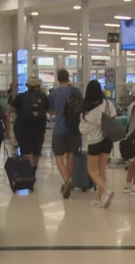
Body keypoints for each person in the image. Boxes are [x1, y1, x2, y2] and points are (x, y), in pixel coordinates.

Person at [79, 80, 115, 208]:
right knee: (102, 169)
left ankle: (106, 191)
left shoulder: (87, 110)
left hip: (95, 142)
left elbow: (82, 129)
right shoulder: (107, 104)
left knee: (92, 170)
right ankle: (98, 198)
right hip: (107, 140)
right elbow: (113, 117)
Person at [49, 69, 82, 199]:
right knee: (70, 154)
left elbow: (51, 109)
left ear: (57, 78)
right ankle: (68, 181)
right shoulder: (76, 92)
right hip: (73, 128)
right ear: (68, 78)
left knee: (58, 157)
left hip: (59, 128)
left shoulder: (54, 93)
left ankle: (67, 180)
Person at [10, 77, 49, 172]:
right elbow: (48, 110)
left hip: (23, 128)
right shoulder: (43, 97)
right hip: (39, 128)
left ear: (27, 86)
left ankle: (29, 174)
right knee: (36, 152)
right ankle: (33, 172)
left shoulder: (20, 97)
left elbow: (11, 109)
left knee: (27, 152)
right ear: (38, 86)